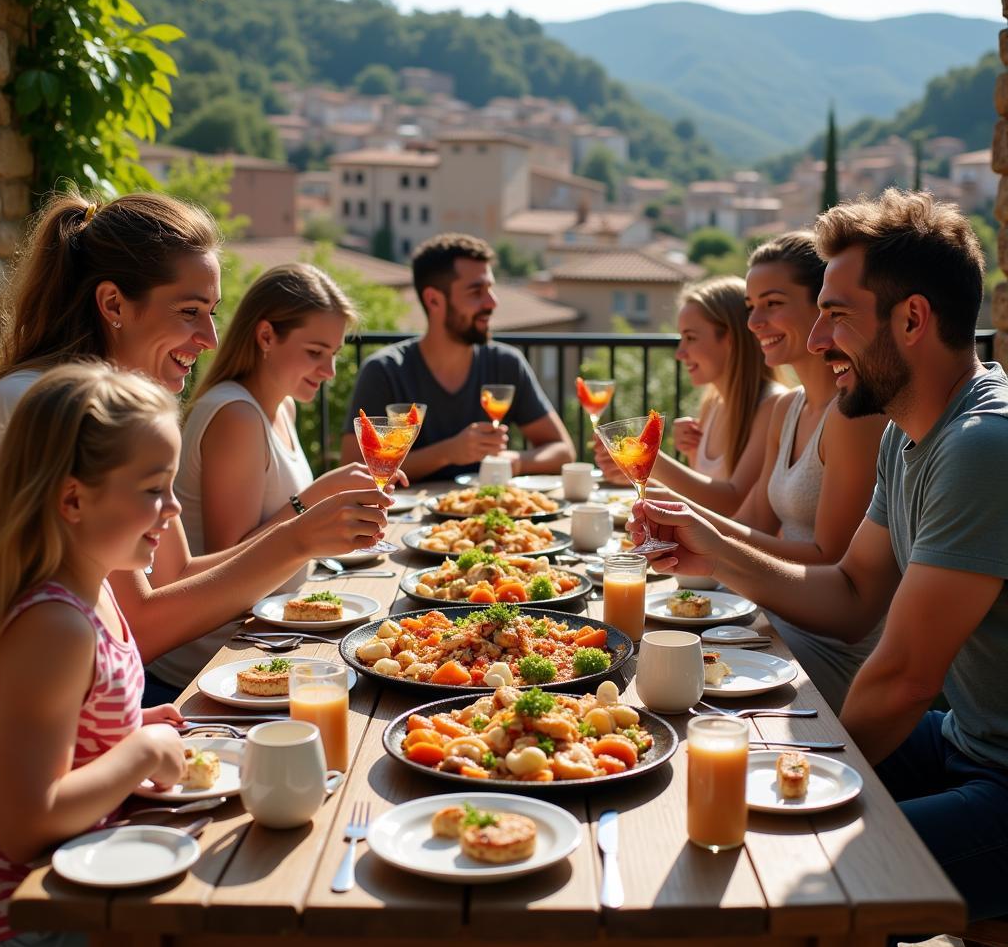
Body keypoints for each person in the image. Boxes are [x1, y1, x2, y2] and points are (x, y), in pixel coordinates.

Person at [631, 190, 1008, 947]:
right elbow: (849, 595)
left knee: (793, 880)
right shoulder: (913, 434)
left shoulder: (980, 445)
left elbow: (903, 678)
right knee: (738, 747)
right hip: (970, 743)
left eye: (834, 315)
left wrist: (793, 786)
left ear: (911, 320)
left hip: (1002, 780)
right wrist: (715, 550)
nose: (813, 339)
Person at [0, 192, 391, 698]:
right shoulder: (43, 405)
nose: (211, 337)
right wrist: (297, 537)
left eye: (213, 311)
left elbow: (174, 575)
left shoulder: (122, 404)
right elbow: (141, 628)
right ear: (113, 304)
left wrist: (305, 525)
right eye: (190, 311)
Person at [0, 363, 189, 947]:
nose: (174, 508)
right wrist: (142, 753)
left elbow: (66, 734)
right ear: (73, 498)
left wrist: (128, 727)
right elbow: (25, 824)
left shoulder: (95, 591)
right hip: (33, 929)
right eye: (155, 489)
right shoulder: (54, 626)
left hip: (84, 887)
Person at [638, 234, 887, 710]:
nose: (754, 322)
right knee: (649, 659)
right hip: (767, 621)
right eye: (751, 306)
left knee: (666, 676)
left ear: (823, 307)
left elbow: (829, 560)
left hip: (824, 649)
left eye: (772, 304)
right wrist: (673, 511)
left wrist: (707, 538)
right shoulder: (787, 409)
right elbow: (749, 524)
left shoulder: (855, 416)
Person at [154, 263, 388, 690]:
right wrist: (311, 501)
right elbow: (232, 567)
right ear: (265, 337)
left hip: (271, 635)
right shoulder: (236, 416)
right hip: (212, 666)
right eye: (315, 352)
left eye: (333, 354)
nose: (329, 371)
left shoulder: (282, 406)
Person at [339, 232, 575, 481]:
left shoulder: (506, 363)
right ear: (434, 300)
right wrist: (449, 453)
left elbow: (563, 452)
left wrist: (511, 462)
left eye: (490, 289)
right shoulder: (384, 371)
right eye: (476, 292)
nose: (492, 302)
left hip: (491, 513)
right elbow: (355, 469)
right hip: (407, 518)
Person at [595, 275, 783, 515]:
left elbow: (731, 502)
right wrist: (640, 476)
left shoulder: (773, 405)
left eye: (691, 338)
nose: (680, 353)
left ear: (731, 339)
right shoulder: (713, 401)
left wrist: (650, 458)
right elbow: (704, 499)